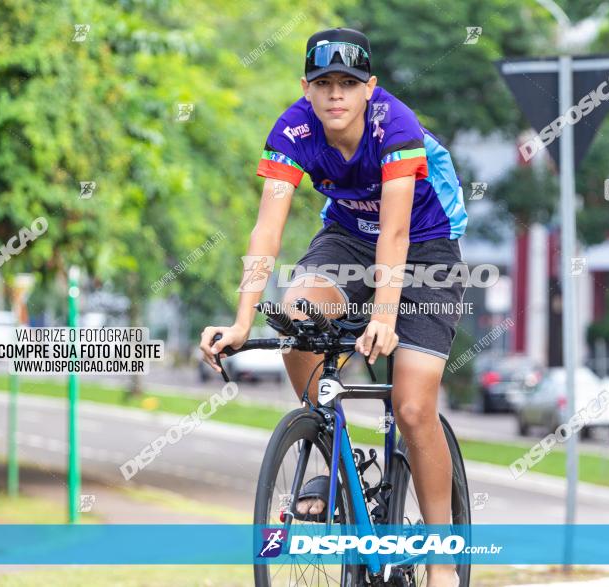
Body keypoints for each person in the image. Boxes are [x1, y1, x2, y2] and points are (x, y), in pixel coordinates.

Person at [200, 27, 467, 587]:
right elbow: (267, 229)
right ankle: (328, 443)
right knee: (297, 317)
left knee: (414, 406)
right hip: (346, 237)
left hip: (425, 242)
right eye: (324, 84)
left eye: (349, 83)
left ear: (370, 87)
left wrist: (385, 317)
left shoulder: (395, 124)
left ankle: (443, 556)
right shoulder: (293, 128)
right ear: (307, 88)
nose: (336, 95)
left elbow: (395, 232)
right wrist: (243, 318)